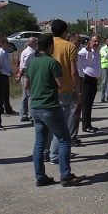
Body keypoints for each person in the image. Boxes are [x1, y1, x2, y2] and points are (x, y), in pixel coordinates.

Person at [25, 33, 84, 187]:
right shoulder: (52, 63)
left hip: (35, 107)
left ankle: (40, 177)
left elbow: (26, 86)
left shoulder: (32, 63)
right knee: (64, 140)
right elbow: (60, 83)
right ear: (50, 46)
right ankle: (65, 175)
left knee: (39, 143)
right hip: (50, 106)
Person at [48, 19, 80, 162]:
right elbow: (73, 71)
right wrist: (78, 89)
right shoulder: (69, 46)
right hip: (64, 89)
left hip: (47, 89)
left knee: (48, 123)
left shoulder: (47, 45)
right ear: (65, 31)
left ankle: (45, 151)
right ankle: (55, 154)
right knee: (61, 125)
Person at [77, 35, 101, 133]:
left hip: (93, 80)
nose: (96, 43)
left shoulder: (95, 53)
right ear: (90, 42)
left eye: (98, 41)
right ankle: (85, 126)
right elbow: (79, 57)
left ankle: (88, 124)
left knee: (90, 104)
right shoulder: (83, 52)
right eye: (94, 41)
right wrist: (87, 49)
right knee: (86, 104)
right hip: (86, 79)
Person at [15, 37, 37, 122]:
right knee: (30, 95)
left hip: (24, 75)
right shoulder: (31, 52)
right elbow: (24, 66)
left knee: (25, 95)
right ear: (34, 43)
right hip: (27, 76)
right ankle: (30, 114)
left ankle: (24, 113)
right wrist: (20, 75)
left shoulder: (25, 51)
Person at [0, 37, 18, 116]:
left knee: (6, 93)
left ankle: (8, 109)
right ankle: (1, 110)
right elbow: (0, 67)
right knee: (2, 93)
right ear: (2, 44)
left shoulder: (5, 52)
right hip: (2, 75)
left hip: (6, 75)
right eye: (6, 43)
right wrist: (8, 73)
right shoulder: (0, 53)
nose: (8, 44)